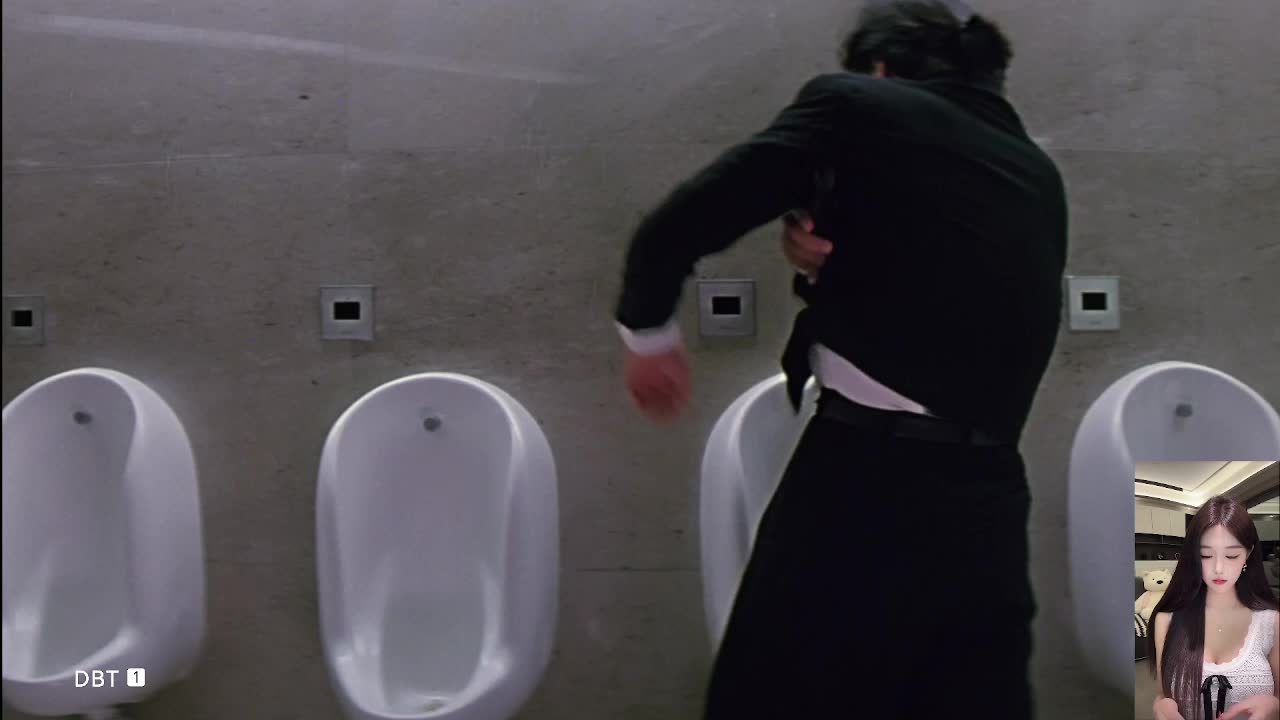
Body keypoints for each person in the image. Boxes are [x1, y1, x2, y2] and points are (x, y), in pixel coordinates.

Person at [613, 1, 1066, 717]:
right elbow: (940, 280)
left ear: (879, 69)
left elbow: (687, 219)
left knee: (765, 695)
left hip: (868, 477)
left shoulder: (857, 104)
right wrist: (827, 256)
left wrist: (649, 335)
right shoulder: (1033, 170)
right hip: (990, 498)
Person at [1150, 496, 1280, 720]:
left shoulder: (1271, 621)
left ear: (1248, 554)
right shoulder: (1167, 620)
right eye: (1206, 555)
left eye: (1231, 555)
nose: (1218, 568)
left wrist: (1275, 705)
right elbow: (1162, 694)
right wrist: (1160, 707)